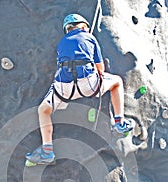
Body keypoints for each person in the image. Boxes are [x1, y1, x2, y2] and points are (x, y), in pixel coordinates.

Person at [26, 13, 134, 165]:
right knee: (116, 82)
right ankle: (119, 122)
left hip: (64, 88)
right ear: (83, 27)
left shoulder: (61, 43)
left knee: (43, 110)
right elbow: (100, 68)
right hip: (88, 84)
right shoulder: (90, 38)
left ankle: (47, 151)